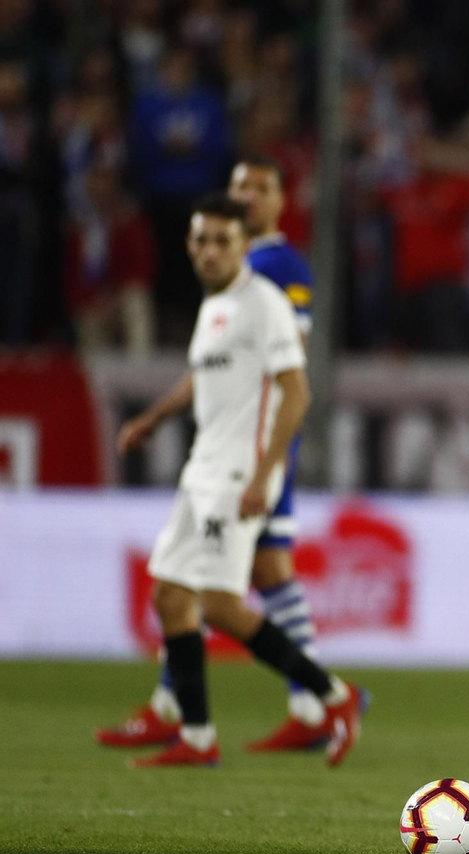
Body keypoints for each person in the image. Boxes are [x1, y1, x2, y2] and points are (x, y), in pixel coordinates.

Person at [96, 156, 338, 753]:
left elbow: (287, 374)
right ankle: (200, 709)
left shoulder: (275, 271)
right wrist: (155, 416)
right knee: (222, 579)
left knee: (233, 583)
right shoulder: (226, 280)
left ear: (282, 201)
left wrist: (266, 463)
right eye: (239, 187)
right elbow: (210, 372)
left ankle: (315, 700)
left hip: (251, 453)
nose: (249, 197)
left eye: (261, 188)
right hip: (220, 455)